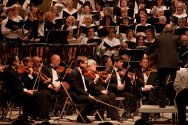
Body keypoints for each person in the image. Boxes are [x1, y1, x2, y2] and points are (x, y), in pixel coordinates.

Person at [2, 54, 50, 122]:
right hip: (13, 93)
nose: (19, 62)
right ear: (13, 62)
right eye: (18, 61)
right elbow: (13, 87)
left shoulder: (14, 70)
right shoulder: (9, 72)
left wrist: (27, 90)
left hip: (19, 91)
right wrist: (26, 90)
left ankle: (36, 115)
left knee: (41, 94)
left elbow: (19, 84)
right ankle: (28, 116)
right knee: (36, 95)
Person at [154, 24, 180, 107]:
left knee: (161, 84)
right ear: (172, 30)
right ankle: (173, 101)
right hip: (173, 64)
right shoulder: (176, 37)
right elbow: (182, 47)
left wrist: (146, 52)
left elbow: (152, 47)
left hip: (162, 64)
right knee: (174, 83)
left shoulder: (159, 37)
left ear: (164, 30)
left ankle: (162, 103)